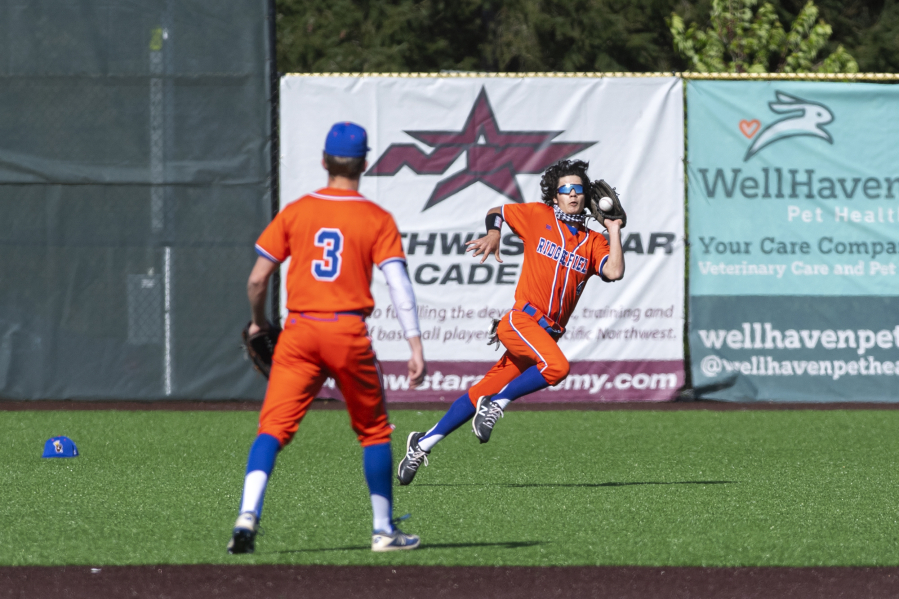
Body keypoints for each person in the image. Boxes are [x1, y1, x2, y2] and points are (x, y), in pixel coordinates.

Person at [228, 122, 427, 554]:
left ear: (324, 161)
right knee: (373, 432)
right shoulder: (376, 218)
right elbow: (398, 285)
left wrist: (259, 322)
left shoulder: (298, 211)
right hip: (347, 331)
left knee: (272, 429)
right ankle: (382, 531)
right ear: (365, 164)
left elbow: (258, 279)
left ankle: (247, 515)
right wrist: (414, 343)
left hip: (299, 332)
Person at [396, 159, 624, 485]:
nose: (572, 195)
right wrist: (494, 233)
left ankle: (422, 443)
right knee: (557, 368)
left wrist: (613, 230)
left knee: (478, 393)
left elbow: (614, 271)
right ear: (555, 196)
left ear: (586, 196)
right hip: (520, 322)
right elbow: (498, 211)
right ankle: (497, 404)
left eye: (578, 189)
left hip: (544, 336)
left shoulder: (593, 242)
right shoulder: (538, 216)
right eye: (565, 189)